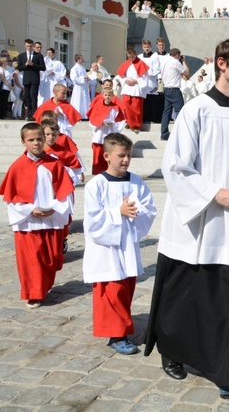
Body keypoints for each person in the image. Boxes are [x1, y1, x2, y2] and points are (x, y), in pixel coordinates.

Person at [143, 39, 229, 406]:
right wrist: (210, 193)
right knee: (187, 294)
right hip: (199, 221)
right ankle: (173, 348)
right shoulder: (196, 110)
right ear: (221, 64)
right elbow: (175, 165)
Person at [83, 133, 156, 355]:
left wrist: (135, 212)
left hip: (127, 246)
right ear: (106, 156)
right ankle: (116, 334)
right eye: (121, 155)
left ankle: (121, 328)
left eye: (129, 156)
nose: (125, 160)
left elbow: (148, 208)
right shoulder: (96, 184)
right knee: (111, 290)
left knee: (125, 288)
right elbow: (93, 219)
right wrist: (118, 212)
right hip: (105, 249)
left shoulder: (136, 181)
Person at [0, 122, 74, 308]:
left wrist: (54, 208)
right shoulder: (17, 167)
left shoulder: (54, 164)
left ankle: (43, 286)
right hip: (28, 222)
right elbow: (12, 198)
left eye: (39, 138)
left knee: (51, 258)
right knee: (31, 260)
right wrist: (30, 210)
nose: (36, 143)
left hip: (51, 218)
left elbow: (66, 192)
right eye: (31, 140)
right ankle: (33, 293)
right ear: (23, 142)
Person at [87, 88, 127, 175]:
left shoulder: (115, 108)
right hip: (99, 133)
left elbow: (120, 121)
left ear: (112, 97)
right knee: (98, 155)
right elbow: (92, 121)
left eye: (109, 95)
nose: (107, 97)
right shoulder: (97, 106)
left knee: (109, 155)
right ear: (102, 96)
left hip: (109, 131)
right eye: (105, 95)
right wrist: (100, 122)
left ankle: (109, 172)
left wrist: (113, 125)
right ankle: (97, 173)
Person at [119, 47, 151, 134]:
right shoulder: (126, 63)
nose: (130, 59)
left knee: (136, 108)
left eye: (132, 57)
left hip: (137, 88)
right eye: (129, 57)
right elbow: (121, 76)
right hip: (127, 87)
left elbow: (145, 78)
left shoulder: (141, 63)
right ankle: (128, 122)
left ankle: (136, 126)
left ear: (135, 55)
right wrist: (125, 80)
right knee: (126, 106)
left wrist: (136, 81)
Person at [159, 48, 189, 141]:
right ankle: (181, 133)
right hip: (174, 90)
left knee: (166, 112)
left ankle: (164, 134)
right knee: (180, 112)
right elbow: (186, 73)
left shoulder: (165, 61)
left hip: (166, 89)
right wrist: (183, 62)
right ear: (177, 55)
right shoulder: (176, 62)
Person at [17, 39, 47, 119]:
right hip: (26, 79)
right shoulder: (21, 55)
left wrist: (33, 64)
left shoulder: (38, 55)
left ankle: (34, 115)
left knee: (33, 96)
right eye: (27, 46)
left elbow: (43, 68)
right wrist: (25, 65)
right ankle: (29, 114)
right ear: (25, 46)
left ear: (33, 46)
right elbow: (19, 68)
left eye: (30, 46)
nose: (29, 47)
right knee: (27, 97)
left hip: (35, 78)